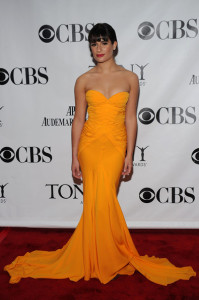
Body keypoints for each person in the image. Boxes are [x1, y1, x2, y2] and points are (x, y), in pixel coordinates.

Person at [4, 23, 196, 285]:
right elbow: (78, 120)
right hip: (90, 145)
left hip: (116, 144)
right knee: (96, 200)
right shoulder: (83, 80)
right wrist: (74, 155)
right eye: (94, 43)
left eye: (103, 42)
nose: (99, 48)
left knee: (103, 199)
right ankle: (100, 255)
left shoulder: (130, 78)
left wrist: (129, 153)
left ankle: (104, 253)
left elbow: (131, 119)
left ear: (114, 44)